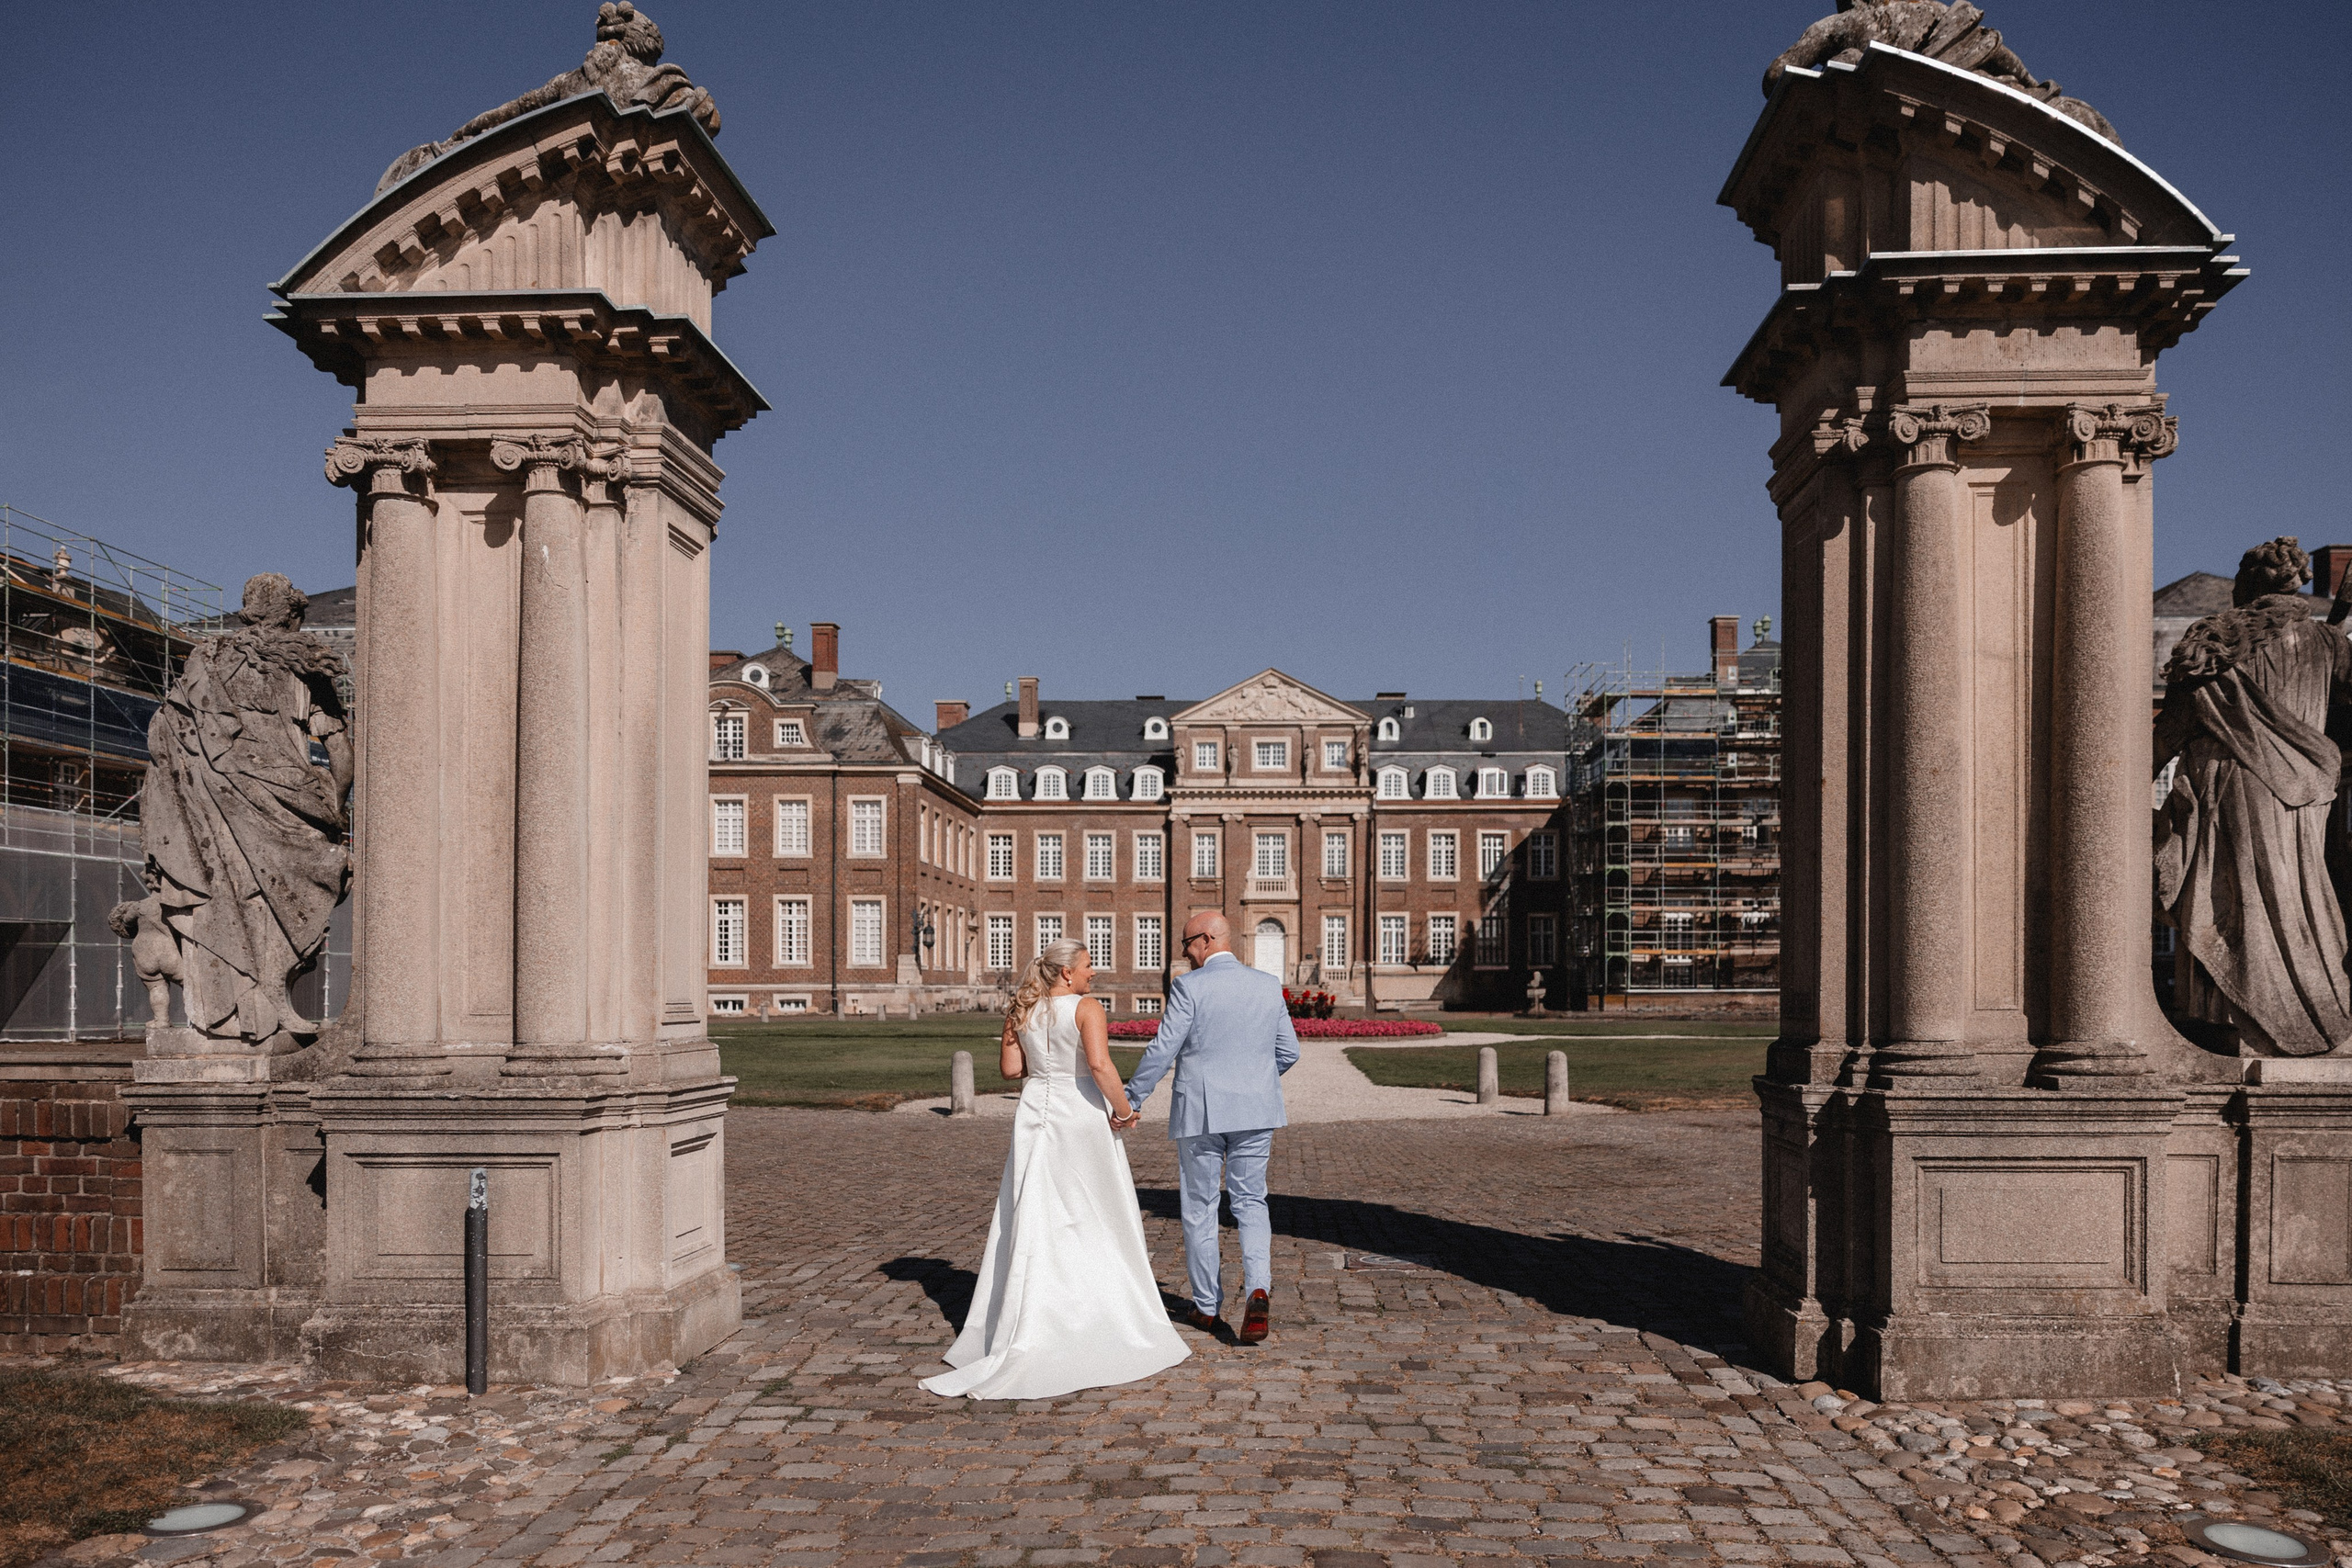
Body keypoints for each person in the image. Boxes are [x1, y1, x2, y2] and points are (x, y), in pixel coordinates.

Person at [921, 938, 1190, 1399]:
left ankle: (1028, 1309)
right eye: (1088, 965)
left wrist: (1016, 1028)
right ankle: (1092, 1311)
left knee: (1031, 1209)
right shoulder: (1087, 1007)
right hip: (1079, 1112)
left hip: (1035, 1111)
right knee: (1095, 1211)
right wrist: (1124, 1110)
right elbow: (1100, 1065)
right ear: (1067, 972)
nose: (1094, 973)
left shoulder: (1023, 1008)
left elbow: (1010, 1070)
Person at [2154, 536, 2352, 1056]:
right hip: (2305, 794)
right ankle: (2316, 1008)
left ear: (2246, 583)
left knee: (2240, 897)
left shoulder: (2215, 640)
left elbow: (2174, 723)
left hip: (2235, 780)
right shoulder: (2327, 643)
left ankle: (2244, 1017)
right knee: (2298, 893)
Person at [1124, 912, 1301, 1345]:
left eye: (1186, 943)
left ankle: (1207, 1306)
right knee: (1251, 1202)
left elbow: (1163, 1049)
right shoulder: (1266, 984)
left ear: (1206, 939)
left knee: (1200, 1206)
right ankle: (1258, 1287)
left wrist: (1130, 1098)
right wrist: (1255, 1080)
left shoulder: (1189, 986)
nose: (1183, 952)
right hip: (1256, 1111)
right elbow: (1289, 1051)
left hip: (1201, 1112)